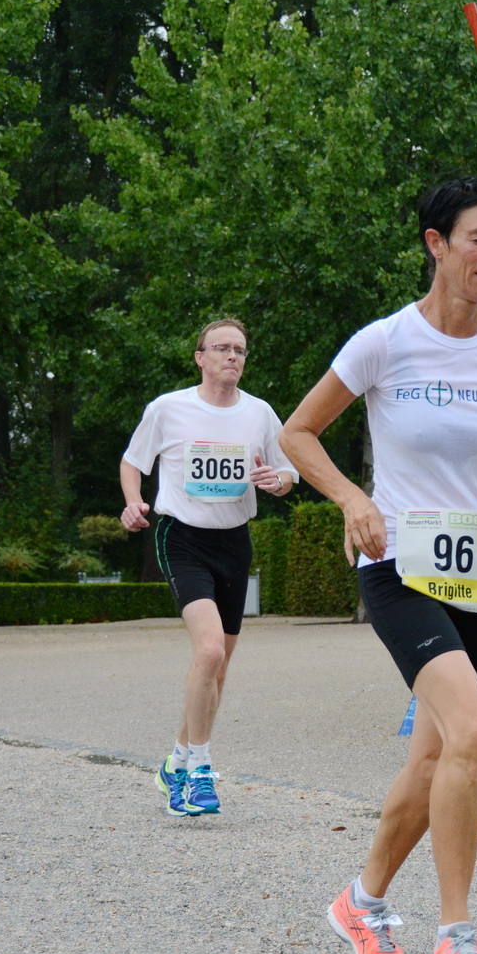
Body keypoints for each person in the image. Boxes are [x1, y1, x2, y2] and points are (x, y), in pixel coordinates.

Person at [280, 177, 477, 954]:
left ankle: (360, 904)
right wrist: (352, 498)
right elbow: (297, 433)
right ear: (436, 243)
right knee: (472, 734)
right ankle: (456, 940)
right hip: (396, 567)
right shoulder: (384, 343)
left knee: (436, 753)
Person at [120, 318, 297, 816]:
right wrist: (133, 502)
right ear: (200, 357)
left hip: (234, 542)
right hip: (183, 539)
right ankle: (197, 771)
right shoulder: (170, 408)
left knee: (216, 670)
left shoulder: (260, 413)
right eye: (221, 348)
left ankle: (174, 762)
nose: (232, 356)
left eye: (239, 349)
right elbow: (133, 460)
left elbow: (289, 470)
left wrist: (276, 481)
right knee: (211, 649)